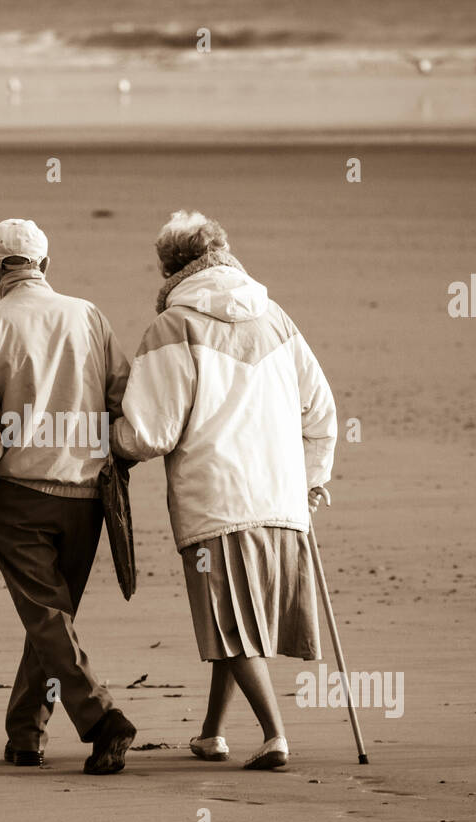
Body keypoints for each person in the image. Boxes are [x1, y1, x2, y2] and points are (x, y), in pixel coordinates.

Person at [111, 210, 337, 770]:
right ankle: (211, 732)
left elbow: (150, 432)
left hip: (217, 500)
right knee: (234, 618)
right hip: (281, 500)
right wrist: (311, 481)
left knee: (230, 622)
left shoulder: (174, 326)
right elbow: (323, 412)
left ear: (169, 267)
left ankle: (275, 735)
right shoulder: (278, 318)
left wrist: (110, 445)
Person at [0, 218, 137, 774]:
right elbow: (122, 393)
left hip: (19, 495)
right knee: (51, 620)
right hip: (85, 497)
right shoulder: (90, 315)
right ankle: (25, 734)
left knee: (48, 618)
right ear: (45, 265)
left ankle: (102, 719)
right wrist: (113, 458)